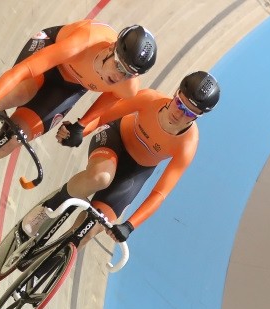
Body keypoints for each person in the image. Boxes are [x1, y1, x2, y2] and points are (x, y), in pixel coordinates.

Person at [20, 71, 220, 246]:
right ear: (176, 92)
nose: (178, 113)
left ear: (198, 116)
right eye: (178, 102)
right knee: (101, 178)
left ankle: (45, 271)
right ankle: (48, 209)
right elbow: (104, 116)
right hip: (115, 140)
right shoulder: (150, 99)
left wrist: (130, 225)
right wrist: (80, 130)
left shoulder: (187, 145)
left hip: (134, 173)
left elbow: (160, 193)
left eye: (187, 112)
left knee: (89, 230)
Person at [0, 20, 157, 159]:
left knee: (14, 139)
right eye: (117, 65)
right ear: (111, 48)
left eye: (128, 73)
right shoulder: (85, 41)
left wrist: (82, 126)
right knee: (20, 92)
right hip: (48, 55)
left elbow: (111, 100)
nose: (118, 75)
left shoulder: (127, 87)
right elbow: (24, 71)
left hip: (68, 87)